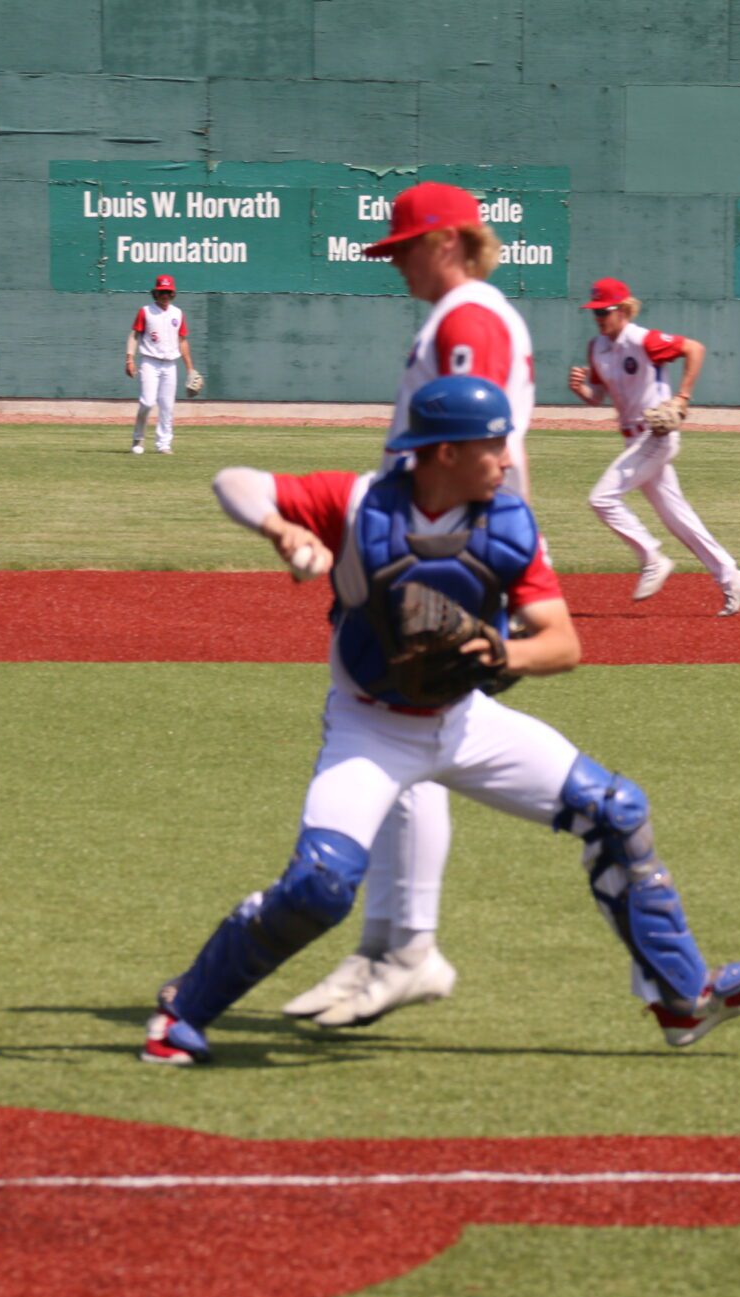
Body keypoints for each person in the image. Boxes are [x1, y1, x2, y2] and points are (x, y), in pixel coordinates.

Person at [141, 375, 740, 1067]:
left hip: (467, 719)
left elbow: (563, 643)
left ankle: (682, 999)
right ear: (444, 451)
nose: (508, 458)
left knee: (616, 809)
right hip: (370, 728)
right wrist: (283, 529)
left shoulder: (507, 524)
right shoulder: (359, 503)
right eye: (494, 443)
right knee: (321, 884)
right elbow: (234, 480)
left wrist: (507, 652)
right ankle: (183, 1014)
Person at [277, 181, 540, 1030]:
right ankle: (385, 946)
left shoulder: (467, 315)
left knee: (405, 722)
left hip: (448, 551)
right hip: (439, 544)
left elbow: (483, 438)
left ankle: (408, 945)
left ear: (449, 241)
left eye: (403, 250)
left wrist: (469, 557)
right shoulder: (461, 312)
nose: (395, 266)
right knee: (401, 730)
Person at [568, 278, 740, 616]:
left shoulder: (644, 340)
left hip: (656, 435)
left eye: (604, 311)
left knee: (602, 498)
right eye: (594, 312)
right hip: (634, 440)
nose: (598, 317)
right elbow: (598, 397)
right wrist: (582, 390)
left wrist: (682, 396)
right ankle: (731, 576)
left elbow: (693, 349)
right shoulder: (597, 348)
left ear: (623, 309)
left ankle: (652, 557)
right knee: (678, 519)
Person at [124, 274, 202, 455]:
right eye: (162, 292)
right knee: (147, 402)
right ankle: (138, 438)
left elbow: (182, 341)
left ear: (173, 294)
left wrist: (190, 368)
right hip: (150, 361)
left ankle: (164, 444)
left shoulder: (178, 313)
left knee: (167, 406)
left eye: (168, 292)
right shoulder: (146, 311)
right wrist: (129, 358)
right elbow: (134, 336)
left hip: (170, 364)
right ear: (155, 293)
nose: (165, 295)